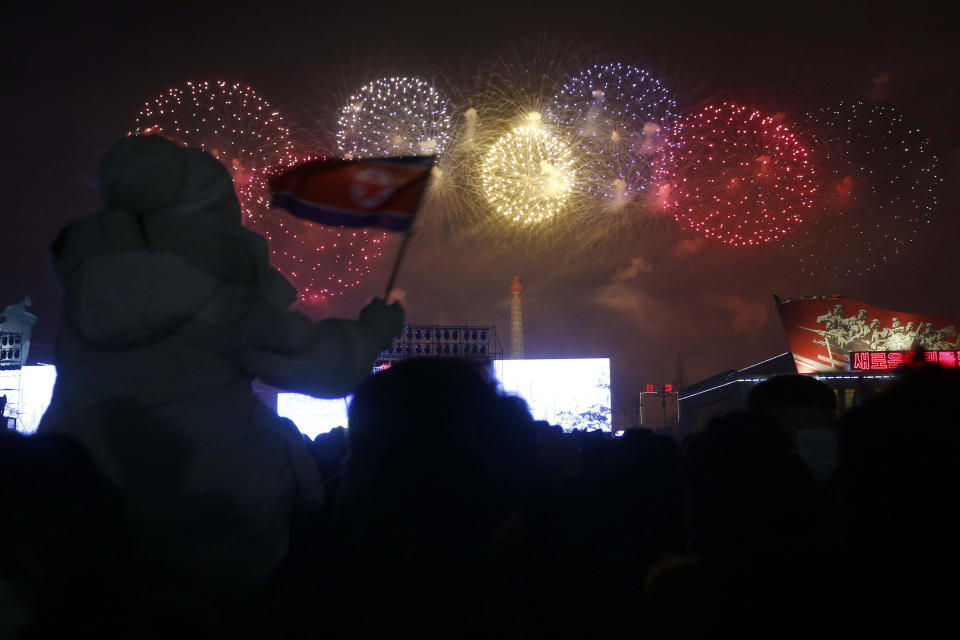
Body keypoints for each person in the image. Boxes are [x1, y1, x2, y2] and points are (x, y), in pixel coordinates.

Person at [37, 135, 404, 618]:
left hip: (82, 507)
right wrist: (372, 331)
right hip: (210, 516)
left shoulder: (85, 293)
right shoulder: (224, 299)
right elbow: (322, 368)